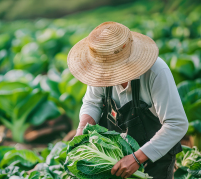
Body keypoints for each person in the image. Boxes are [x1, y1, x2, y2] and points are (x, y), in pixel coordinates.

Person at [68, 21, 189, 179]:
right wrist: (81, 133)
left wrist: (136, 158)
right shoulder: (100, 71)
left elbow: (177, 124)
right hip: (115, 159)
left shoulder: (156, 72)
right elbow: (92, 103)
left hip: (155, 159)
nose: (108, 74)